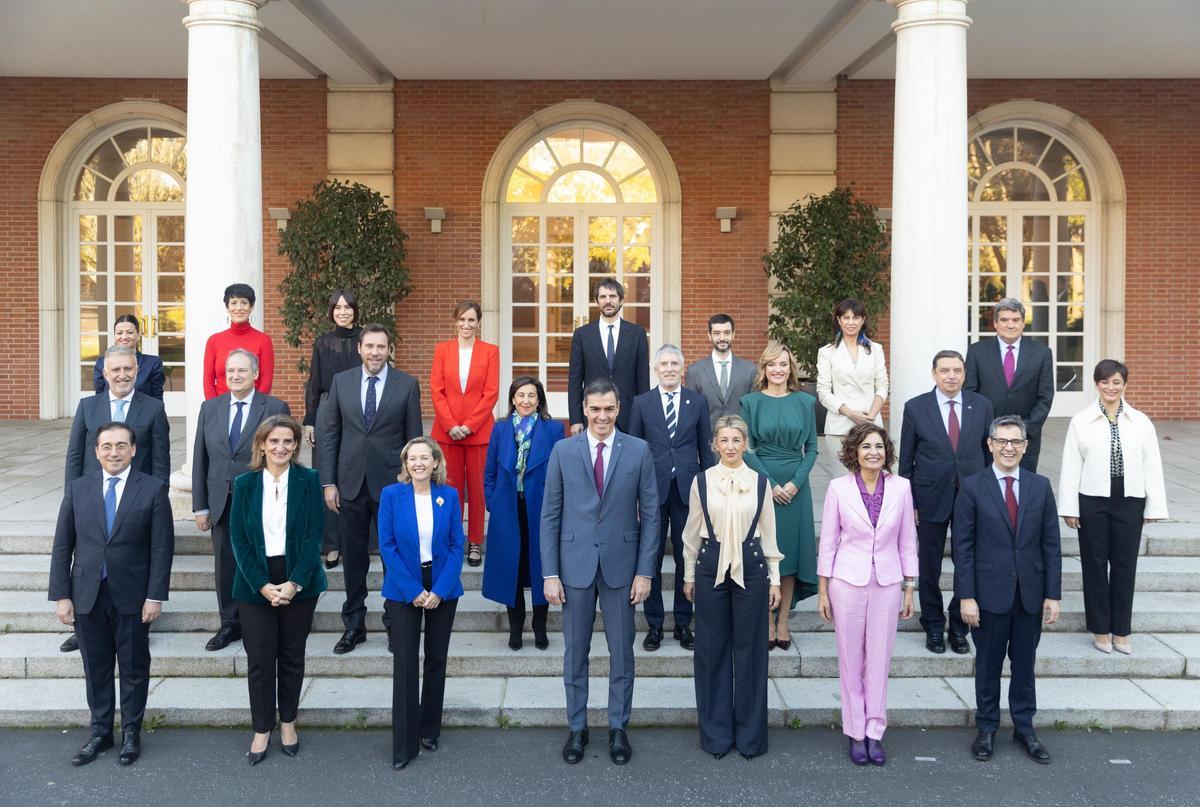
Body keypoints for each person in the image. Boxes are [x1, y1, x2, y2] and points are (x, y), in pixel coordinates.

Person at [541, 379, 659, 766]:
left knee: (622, 654)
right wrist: (549, 573)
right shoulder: (563, 450)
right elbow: (550, 516)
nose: (602, 416)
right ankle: (577, 728)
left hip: (622, 569)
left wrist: (645, 572)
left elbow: (652, 515)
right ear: (584, 408)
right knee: (575, 653)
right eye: (595, 409)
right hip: (573, 568)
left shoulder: (639, 451)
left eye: (609, 409)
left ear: (619, 407)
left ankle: (618, 728)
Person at [49, 421, 174, 767]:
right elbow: (63, 546)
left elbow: (162, 548)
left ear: (134, 450)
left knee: (134, 667)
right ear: (96, 451)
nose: (114, 452)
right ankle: (101, 732)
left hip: (133, 595)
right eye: (107, 446)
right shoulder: (78, 488)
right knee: (97, 668)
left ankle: (131, 732)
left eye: (121, 445)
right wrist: (62, 595)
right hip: (87, 593)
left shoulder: (151, 489)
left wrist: (155, 595)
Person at [953, 415, 1062, 764]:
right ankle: (986, 727)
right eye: (1002, 441)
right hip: (987, 595)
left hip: (1030, 594)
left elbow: (1051, 544)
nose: (1009, 448)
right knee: (987, 665)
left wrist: (1053, 593)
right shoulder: (972, 486)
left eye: (1016, 442)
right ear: (990, 445)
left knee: (1025, 665)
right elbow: (962, 547)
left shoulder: (1040, 486)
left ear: (1026, 446)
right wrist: (966, 596)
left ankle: (1024, 727)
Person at [317, 324, 423, 655]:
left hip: (392, 486)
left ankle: (395, 624)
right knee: (353, 558)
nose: (375, 352)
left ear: (388, 349)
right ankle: (354, 625)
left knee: (395, 557)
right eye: (370, 346)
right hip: (349, 484)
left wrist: (412, 484)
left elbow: (414, 439)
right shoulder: (341, 382)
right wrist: (329, 482)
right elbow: (331, 433)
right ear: (360, 348)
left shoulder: (406, 385)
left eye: (381, 346)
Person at [817, 423, 917, 766]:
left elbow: (907, 541)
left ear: (886, 451)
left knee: (879, 660)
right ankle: (855, 732)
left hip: (888, 582)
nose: (873, 452)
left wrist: (909, 587)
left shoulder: (902, 488)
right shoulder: (838, 489)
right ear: (854, 452)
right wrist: (823, 590)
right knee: (851, 660)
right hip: (846, 581)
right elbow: (828, 541)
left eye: (879, 446)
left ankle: (875, 731)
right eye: (866, 447)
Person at [682, 415, 782, 760]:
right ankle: (716, 735)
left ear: (745, 444)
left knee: (751, 650)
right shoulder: (702, 482)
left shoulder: (759, 482)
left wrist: (775, 578)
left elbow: (769, 533)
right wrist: (689, 575)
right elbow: (691, 532)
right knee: (711, 650)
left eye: (736, 440)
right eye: (723, 440)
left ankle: (751, 737)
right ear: (714, 445)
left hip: (751, 566)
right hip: (710, 566)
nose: (730, 447)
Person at [228, 415, 326, 765]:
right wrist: (262, 585)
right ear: (261, 445)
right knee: (259, 660)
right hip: (255, 581)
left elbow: (315, 533)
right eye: (274, 441)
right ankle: (261, 727)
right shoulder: (244, 483)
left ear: (296, 446)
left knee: (291, 656)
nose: (281, 447)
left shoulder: (309, 479)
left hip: (298, 577)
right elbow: (237, 539)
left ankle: (288, 722)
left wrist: (295, 582)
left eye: (287, 441)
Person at [1058, 360, 1168, 655]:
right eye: (1105, 382)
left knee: (1124, 565)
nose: (1111, 387)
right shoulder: (1081, 420)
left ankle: (1121, 630)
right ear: (1096, 384)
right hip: (1092, 498)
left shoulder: (1141, 421)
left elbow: (1151, 464)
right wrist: (1070, 507)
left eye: (1116, 382)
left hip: (1130, 498)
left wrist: (1154, 506)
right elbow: (1071, 465)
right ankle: (1100, 629)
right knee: (1094, 564)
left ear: (1125, 385)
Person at [193, 349, 291, 652]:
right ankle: (230, 624)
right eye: (230, 371)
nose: (235, 376)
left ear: (256, 375)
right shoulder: (210, 408)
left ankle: (261, 621)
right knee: (225, 565)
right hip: (221, 500)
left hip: (260, 499)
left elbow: (284, 453)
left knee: (262, 559)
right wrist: (201, 505)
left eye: (242, 371)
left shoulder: (274, 406)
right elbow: (201, 458)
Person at [898, 350, 994, 655]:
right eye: (945, 370)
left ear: (964, 374)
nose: (951, 376)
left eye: (957, 370)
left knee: (970, 558)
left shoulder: (981, 406)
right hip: (929, 495)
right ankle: (933, 623)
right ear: (934, 374)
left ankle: (958, 623)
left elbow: (988, 452)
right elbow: (907, 459)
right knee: (929, 564)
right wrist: (909, 499)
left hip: (972, 495)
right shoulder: (915, 407)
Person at [378, 437, 465, 770]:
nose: (418, 464)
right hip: (403, 589)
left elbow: (458, 546)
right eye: (412, 458)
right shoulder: (391, 495)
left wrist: (440, 589)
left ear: (435, 462)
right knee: (405, 663)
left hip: (442, 586)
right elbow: (387, 546)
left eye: (424, 458)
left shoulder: (449, 495)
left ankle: (429, 729)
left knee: (436, 659)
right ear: (405, 464)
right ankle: (404, 743)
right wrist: (414, 589)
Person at [629, 344, 714, 651]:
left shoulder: (698, 402)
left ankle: (682, 622)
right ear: (656, 369)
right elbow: (634, 453)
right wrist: (633, 497)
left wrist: (710, 492)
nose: (668, 368)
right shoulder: (641, 403)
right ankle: (654, 625)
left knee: (685, 557)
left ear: (683, 368)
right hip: (650, 492)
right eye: (663, 363)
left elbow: (705, 451)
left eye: (674, 363)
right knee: (649, 558)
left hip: (688, 492)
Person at [739, 341, 818, 650]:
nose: (777, 369)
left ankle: (782, 620)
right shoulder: (751, 402)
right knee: (765, 552)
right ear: (764, 368)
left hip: (796, 486)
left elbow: (811, 447)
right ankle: (765, 618)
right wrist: (770, 483)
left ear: (790, 368)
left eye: (783, 364)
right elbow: (747, 447)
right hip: (763, 482)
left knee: (791, 553)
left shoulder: (804, 402)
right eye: (772, 364)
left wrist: (796, 483)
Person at [482, 376, 564, 650]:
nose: (526, 401)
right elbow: (490, 470)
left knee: (542, 566)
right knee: (511, 569)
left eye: (531, 395)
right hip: (507, 507)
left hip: (541, 507)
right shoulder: (501, 428)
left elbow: (560, 470)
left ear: (539, 399)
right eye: (520, 395)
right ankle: (515, 628)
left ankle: (539, 626)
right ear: (513, 400)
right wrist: (492, 501)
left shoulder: (553, 429)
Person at [430, 300, 500, 568]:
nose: (466, 325)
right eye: (462, 319)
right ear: (455, 321)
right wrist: (450, 424)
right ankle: (452, 539)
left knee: (479, 488)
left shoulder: (490, 351)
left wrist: (469, 425)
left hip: (479, 431)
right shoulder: (442, 350)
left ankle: (474, 542)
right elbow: (437, 390)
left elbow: (490, 392)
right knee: (450, 487)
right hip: (448, 432)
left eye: (471, 320)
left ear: (478, 322)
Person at [302, 289, 364, 570]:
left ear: (355, 310)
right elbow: (314, 382)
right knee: (327, 475)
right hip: (327, 409)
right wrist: (310, 419)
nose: (343, 312)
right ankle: (331, 544)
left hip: (359, 411)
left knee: (355, 472)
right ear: (331, 311)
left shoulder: (366, 340)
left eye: (348, 307)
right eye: (337, 307)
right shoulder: (323, 342)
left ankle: (357, 540)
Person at [965, 298, 1054, 471]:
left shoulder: (1042, 353)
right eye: (1004, 320)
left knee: (1023, 489)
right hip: (986, 438)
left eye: (1015, 320)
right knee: (988, 489)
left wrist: (1023, 430)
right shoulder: (977, 352)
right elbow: (970, 393)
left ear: (1023, 323)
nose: (1010, 325)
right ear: (996, 323)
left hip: (1025, 437)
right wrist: (988, 430)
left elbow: (1045, 397)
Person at [567, 278, 649, 434]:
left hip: (628, 416)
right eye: (603, 297)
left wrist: (643, 418)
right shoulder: (582, 335)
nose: (608, 301)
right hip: (593, 415)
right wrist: (576, 419)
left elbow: (643, 380)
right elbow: (575, 381)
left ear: (621, 300)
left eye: (612, 296)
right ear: (596, 301)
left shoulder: (637, 334)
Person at [816, 298, 889, 452]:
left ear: (863, 320)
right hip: (840, 426)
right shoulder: (827, 352)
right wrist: (852, 414)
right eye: (846, 317)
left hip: (871, 423)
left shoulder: (875, 349)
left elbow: (882, 384)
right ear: (839, 320)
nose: (851, 322)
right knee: (841, 476)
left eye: (856, 317)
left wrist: (871, 417)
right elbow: (823, 391)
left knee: (870, 475)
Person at [201, 283, 275, 399]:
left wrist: (254, 410)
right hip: (220, 408)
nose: (239, 308)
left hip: (254, 410)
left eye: (244, 303)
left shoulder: (264, 340)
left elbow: (266, 383)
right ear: (227, 308)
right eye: (233, 303)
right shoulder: (214, 341)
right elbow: (208, 383)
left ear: (251, 307)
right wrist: (214, 410)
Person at [685, 314, 757, 432]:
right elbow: (691, 412)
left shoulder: (750, 370)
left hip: (740, 442)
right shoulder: (695, 371)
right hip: (707, 442)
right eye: (717, 333)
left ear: (733, 335)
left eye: (727, 333)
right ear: (709, 336)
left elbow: (754, 411)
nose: (722, 338)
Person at [92, 314, 165, 400]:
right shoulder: (102, 362)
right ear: (115, 335)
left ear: (138, 335)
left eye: (130, 332)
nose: (124, 337)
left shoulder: (153, 363)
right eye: (119, 333)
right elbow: (99, 397)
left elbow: (157, 399)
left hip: (142, 412)